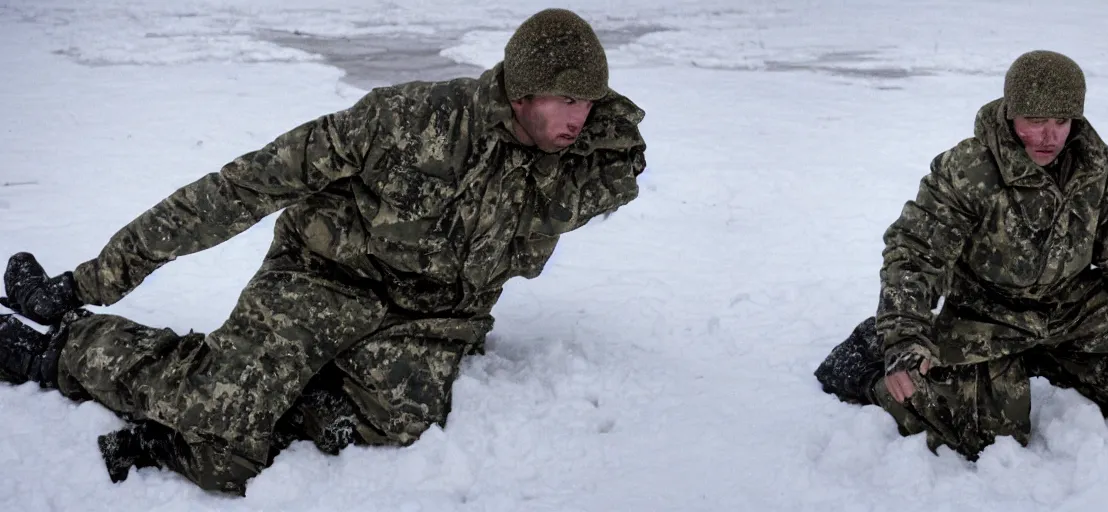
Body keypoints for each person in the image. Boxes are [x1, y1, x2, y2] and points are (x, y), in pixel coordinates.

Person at [0, 8, 647, 495]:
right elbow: (239, 189)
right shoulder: (406, 119)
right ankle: (59, 350)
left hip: (432, 319)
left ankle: (271, 398)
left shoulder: (571, 165)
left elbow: (627, 157)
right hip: (323, 279)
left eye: (590, 102)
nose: (580, 119)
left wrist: (595, 101)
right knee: (225, 421)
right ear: (521, 90)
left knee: (394, 424)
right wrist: (89, 279)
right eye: (566, 100)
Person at [814, 50, 1108, 460]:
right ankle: (869, 362)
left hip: (1071, 310)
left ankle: (1042, 359)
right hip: (987, 313)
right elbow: (914, 256)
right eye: (1035, 121)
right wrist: (904, 336)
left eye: (1061, 121)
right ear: (1010, 113)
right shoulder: (969, 168)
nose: (1050, 136)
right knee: (988, 433)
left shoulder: (1099, 167)